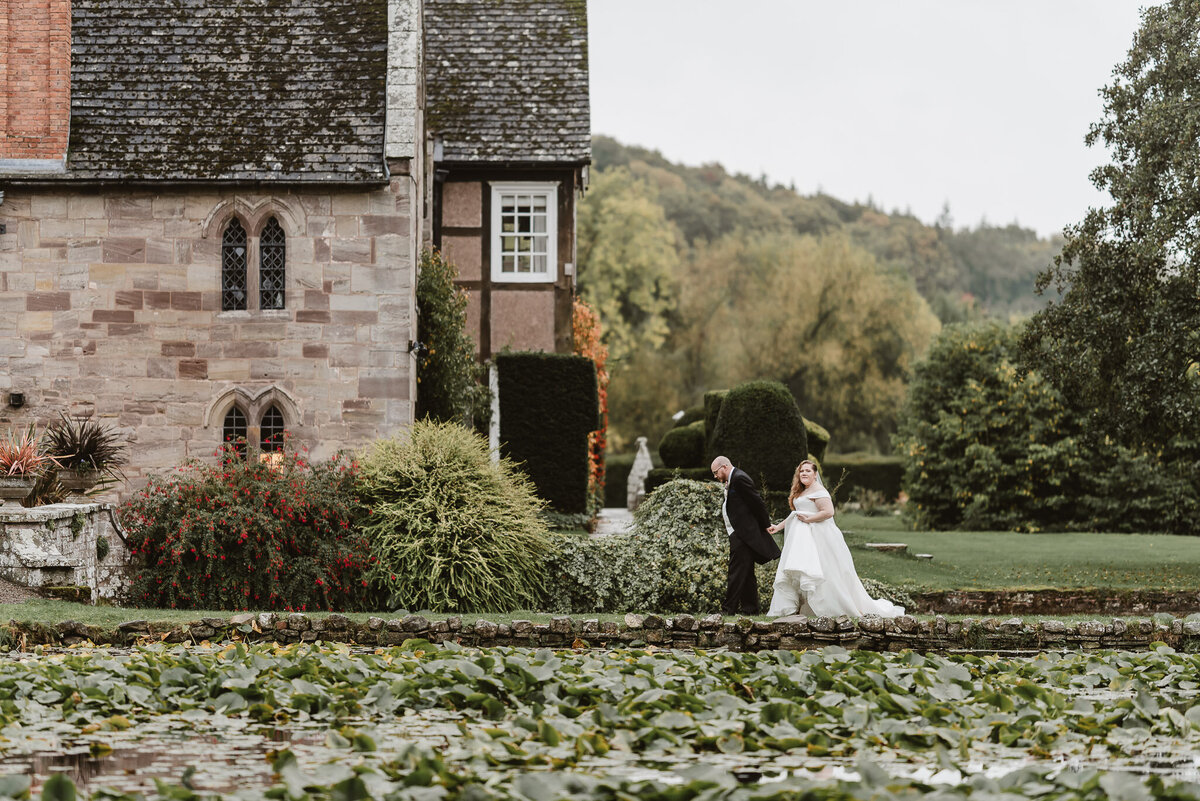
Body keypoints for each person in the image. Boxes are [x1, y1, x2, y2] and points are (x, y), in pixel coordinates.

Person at [766, 460, 904, 619]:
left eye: (808, 471)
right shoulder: (802, 491)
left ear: (815, 474)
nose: (804, 473)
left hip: (818, 536)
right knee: (803, 571)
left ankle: (836, 606)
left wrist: (809, 520)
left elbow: (828, 512)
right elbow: (796, 515)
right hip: (801, 540)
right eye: (801, 471)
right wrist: (778, 527)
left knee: (825, 571)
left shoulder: (819, 491)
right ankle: (803, 608)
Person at [711, 455, 781, 615]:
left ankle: (728, 609)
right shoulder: (733, 479)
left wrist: (766, 525)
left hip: (742, 534)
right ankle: (751, 609)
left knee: (735, 572)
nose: (715, 476)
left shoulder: (739, 478)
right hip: (739, 532)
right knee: (747, 572)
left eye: (715, 472)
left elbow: (757, 502)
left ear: (724, 467)